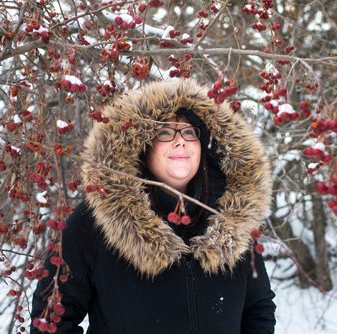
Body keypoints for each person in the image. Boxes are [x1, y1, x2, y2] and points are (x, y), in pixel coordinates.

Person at [30, 79, 276, 333]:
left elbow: (258, 308)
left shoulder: (232, 219)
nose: (180, 141)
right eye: (165, 132)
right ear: (142, 146)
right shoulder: (96, 221)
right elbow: (50, 322)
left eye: (190, 132)